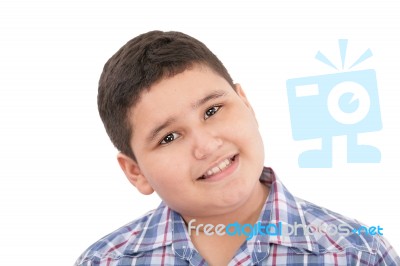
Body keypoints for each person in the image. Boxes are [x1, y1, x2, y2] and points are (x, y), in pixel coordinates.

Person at [75, 30, 399, 265]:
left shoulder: (359, 253)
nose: (206, 145)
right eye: (169, 137)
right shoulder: (104, 261)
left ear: (246, 103)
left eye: (212, 111)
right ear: (135, 172)